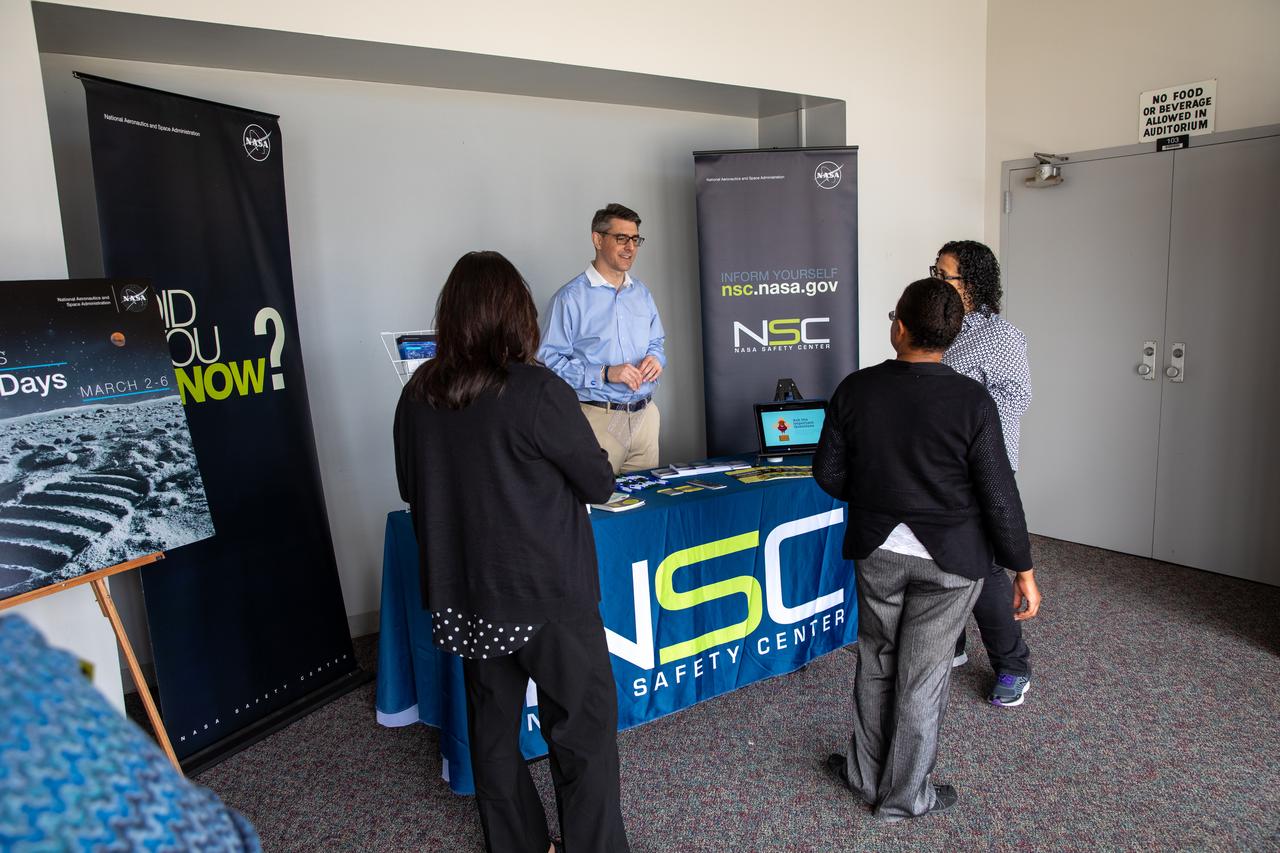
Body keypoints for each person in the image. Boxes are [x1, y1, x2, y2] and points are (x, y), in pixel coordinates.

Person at [393, 251, 630, 853]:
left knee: (492, 729)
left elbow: (410, 484)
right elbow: (598, 482)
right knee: (581, 731)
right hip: (547, 593)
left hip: (465, 592)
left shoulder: (419, 392)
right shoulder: (538, 391)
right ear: (516, 315)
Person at [814, 278, 1037, 822]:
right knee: (924, 674)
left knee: (877, 659)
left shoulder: (855, 389)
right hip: (952, 561)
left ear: (899, 327)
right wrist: (1023, 570)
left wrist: (878, 497)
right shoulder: (972, 399)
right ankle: (906, 796)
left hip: (878, 550)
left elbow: (828, 474)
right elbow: (998, 493)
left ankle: (865, 776)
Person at [933, 239, 1040, 707]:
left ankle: (1013, 665)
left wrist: (964, 418)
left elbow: (1017, 398)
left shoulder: (1000, 336)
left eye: (945, 275)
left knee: (988, 568)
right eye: (934, 273)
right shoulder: (938, 326)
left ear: (971, 283)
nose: (937, 281)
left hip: (984, 466)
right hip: (938, 464)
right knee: (939, 556)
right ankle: (952, 643)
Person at [538, 203, 666, 473]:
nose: (630, 247)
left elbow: (657, 342)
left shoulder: (642, 294)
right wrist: (606, 373)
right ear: (597, 239)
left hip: (645, 416)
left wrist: (656, 358)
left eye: (635, 239)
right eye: (621, 238)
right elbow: (547, 362)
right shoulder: (569, 299)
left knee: (646, 504)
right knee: (599, 505)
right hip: (598, 418)